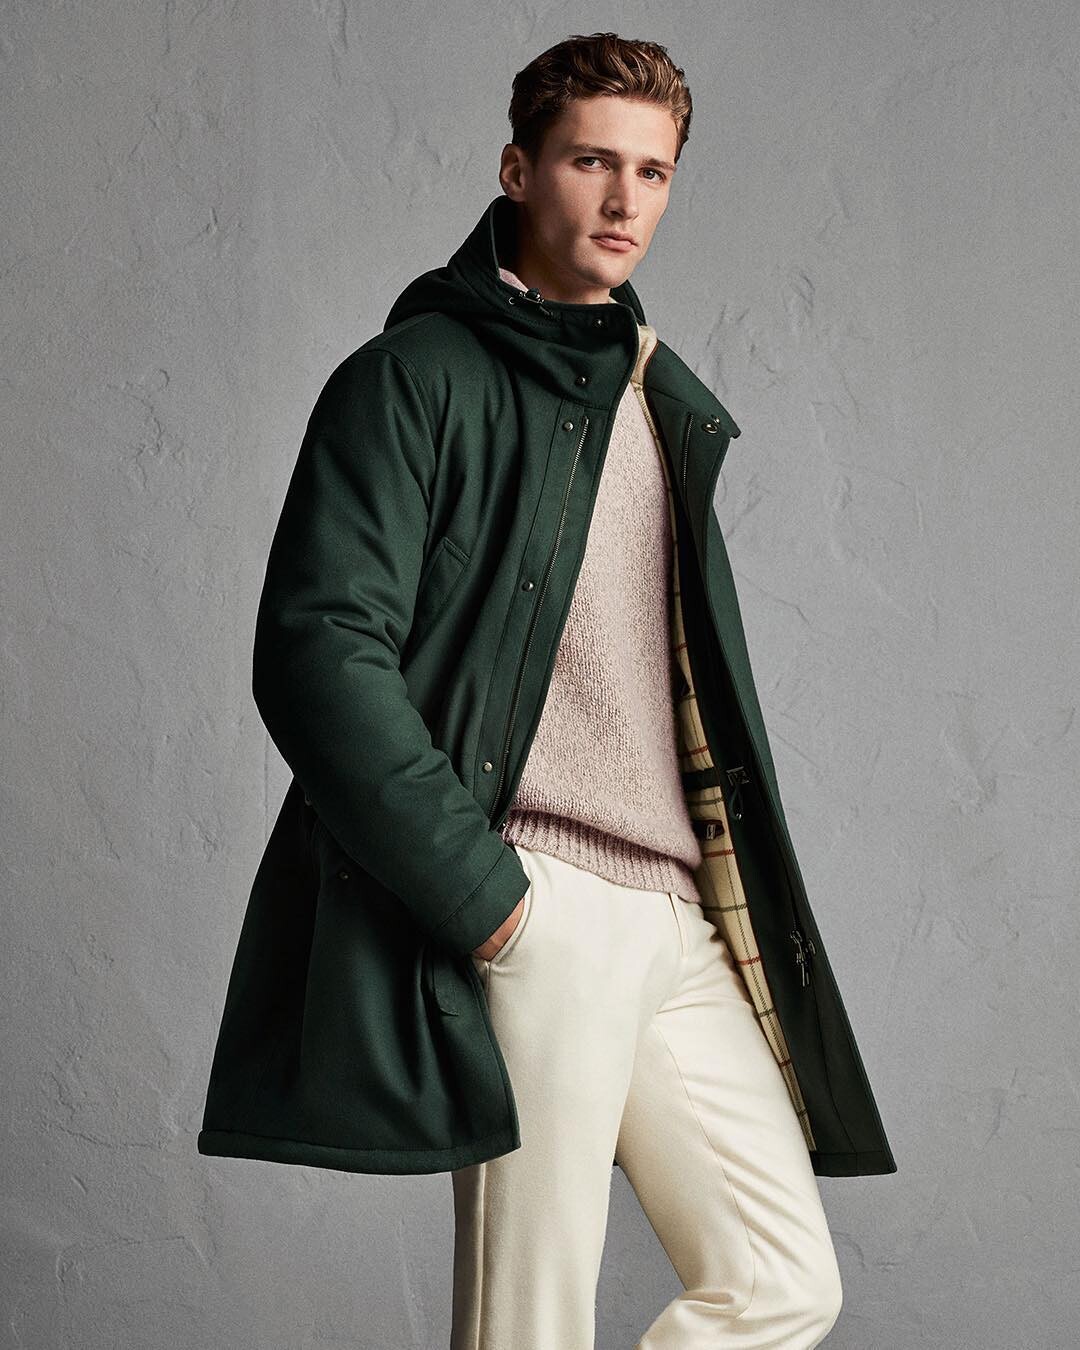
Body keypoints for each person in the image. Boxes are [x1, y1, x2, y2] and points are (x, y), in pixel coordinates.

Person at [197, 30, 896, 1350]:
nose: (625, 199)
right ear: (519, 170)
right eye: (591, 161)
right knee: (530, 1326)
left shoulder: (657, 403)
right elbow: (317, 649)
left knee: (783, 1283)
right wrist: (491, 903)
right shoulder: (411, 379)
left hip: (677, 912)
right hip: (537, 899)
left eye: (653, 171)